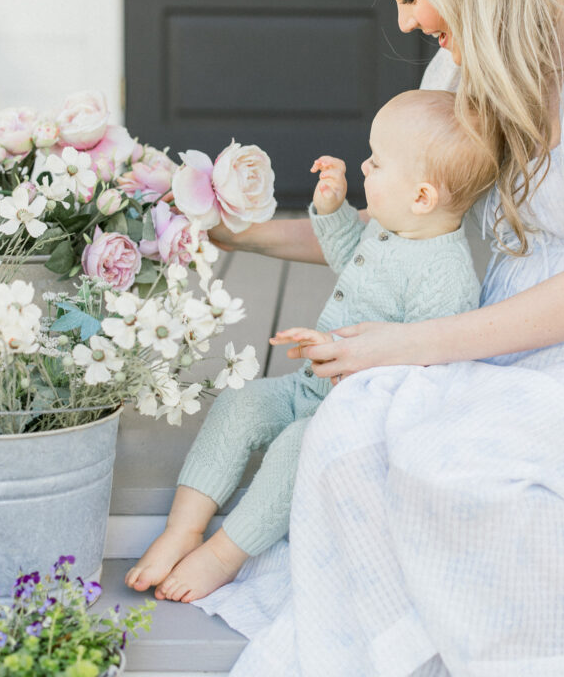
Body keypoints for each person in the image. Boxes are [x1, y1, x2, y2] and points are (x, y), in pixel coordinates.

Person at [190, 0, 564, 675]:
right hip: (484, 320)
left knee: (455, 461)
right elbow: (395, 225)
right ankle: (402, 631)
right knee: (353, 430)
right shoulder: (465, 63)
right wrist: (237, 231)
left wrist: (401, 345)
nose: (405, 21)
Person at [125, 88, 496, 603]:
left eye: (377, 162)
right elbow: (347, 254)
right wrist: (332, 209)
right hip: (309, 386)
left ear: (422, 197)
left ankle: (224, 553)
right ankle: (183, 528)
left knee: (294, 449)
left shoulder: (445, 276)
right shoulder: (394, 229)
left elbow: (426, 368)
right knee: (240, 404)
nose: (364, 166)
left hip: (354, 418)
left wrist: (341, 354)